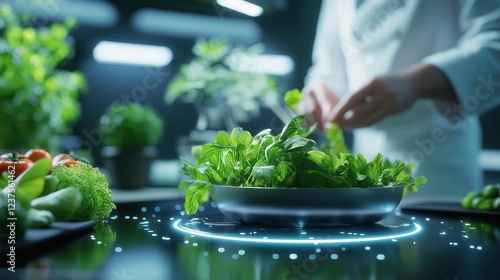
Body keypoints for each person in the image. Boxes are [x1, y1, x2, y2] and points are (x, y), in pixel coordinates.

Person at [297, 0, 500, 202]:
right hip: (365, 177)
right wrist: (317, 93)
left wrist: (417, 83)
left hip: (440, 174)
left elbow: (495, 43)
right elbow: (328, 68)